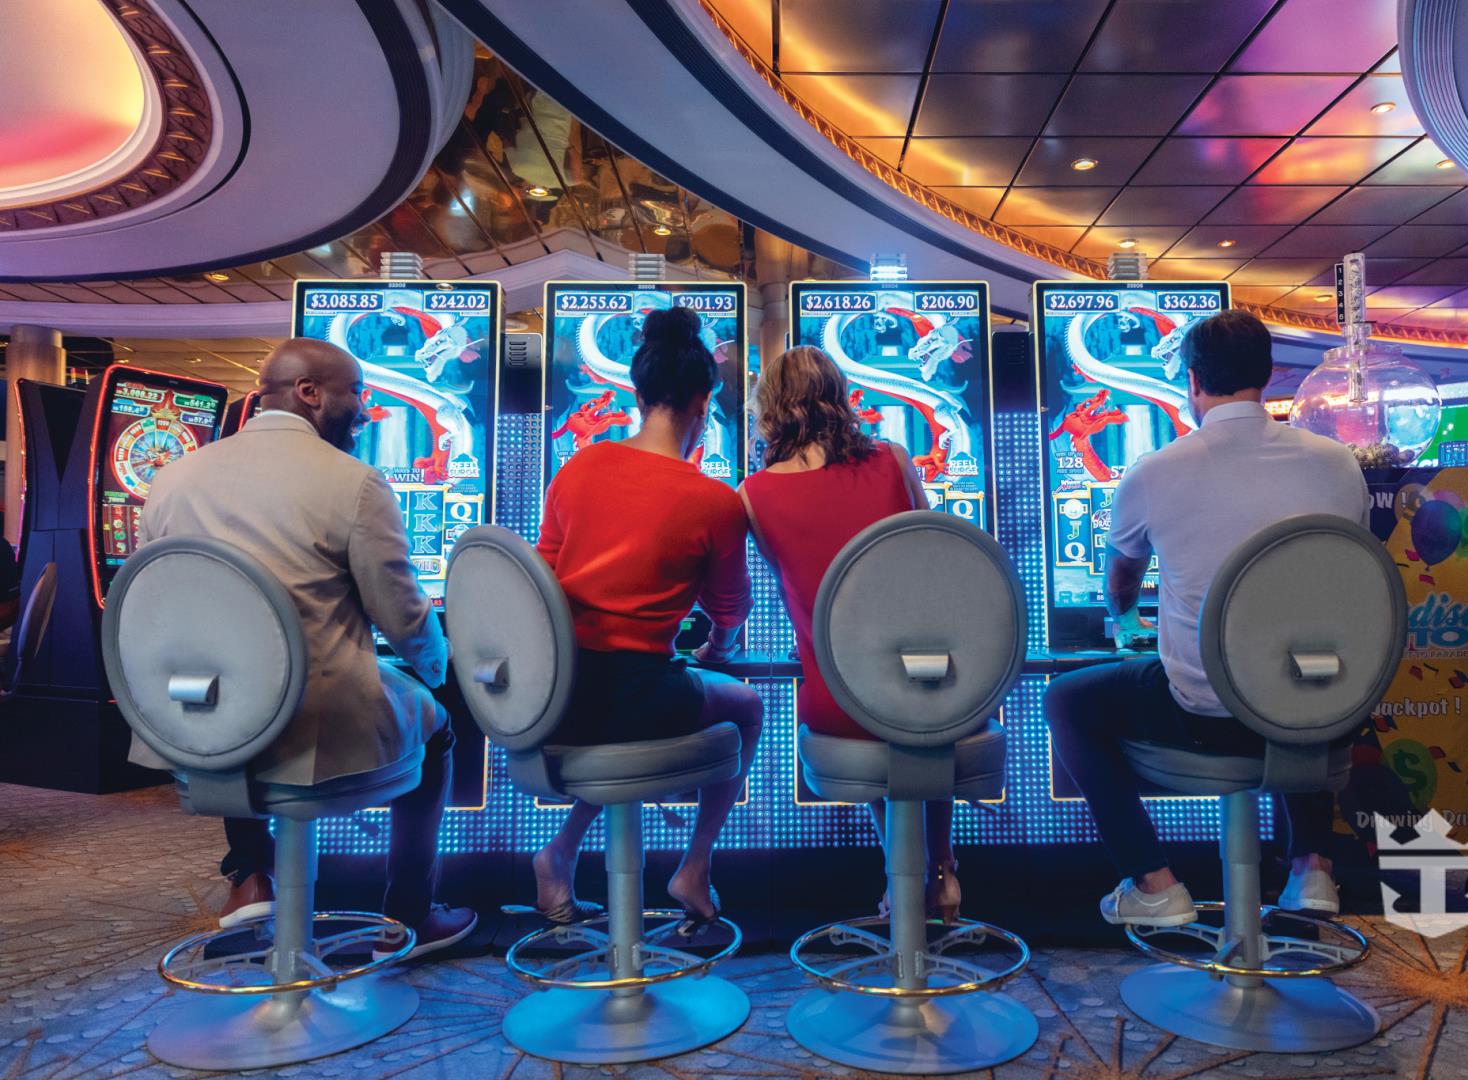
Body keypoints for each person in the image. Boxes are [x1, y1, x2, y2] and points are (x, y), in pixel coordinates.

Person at [132, 338, 476, 956]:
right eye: (357, 395)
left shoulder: (171, 479)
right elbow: (401, 618)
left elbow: (154, 603)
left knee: (238, 685)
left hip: (197, 728)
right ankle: (409, 915)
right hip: (315, 728)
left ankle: (250, 872)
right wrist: (438, 666)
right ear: (310, 394)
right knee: (440, 724)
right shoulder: (354, 482)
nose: (365, 411)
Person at [1043, 311, 1369, 927]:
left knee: (1065, 701)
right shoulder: (1337, 464)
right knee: (1299, 670)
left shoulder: (1156, 469)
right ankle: (1313, 867)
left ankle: (1153, 881)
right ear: (1269, 376)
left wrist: (1124, 617)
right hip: (1324, 713)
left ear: (1192, 382)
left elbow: (1122, 573)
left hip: (1205, 719)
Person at [531, 306, 762, 931]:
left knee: (613, 733)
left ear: (636, 394)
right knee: (743, 706)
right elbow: (729, 607)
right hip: (635, 691)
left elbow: (539, 576)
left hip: (553, 694)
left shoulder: (577, 469)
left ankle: (560, 851)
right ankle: (694, 864)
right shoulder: (712, 498)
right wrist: (718, 647)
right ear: (703, 400)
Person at [740, 346, 966, 919]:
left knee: (865, 699)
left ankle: (901, 878)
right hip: (933, 690)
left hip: (836, 699)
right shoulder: (892, 459)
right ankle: (939, 868)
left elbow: (798, 584)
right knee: (922, 701)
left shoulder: (754, 493)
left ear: (771, 410)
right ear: (840, 397)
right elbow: (933, 555)